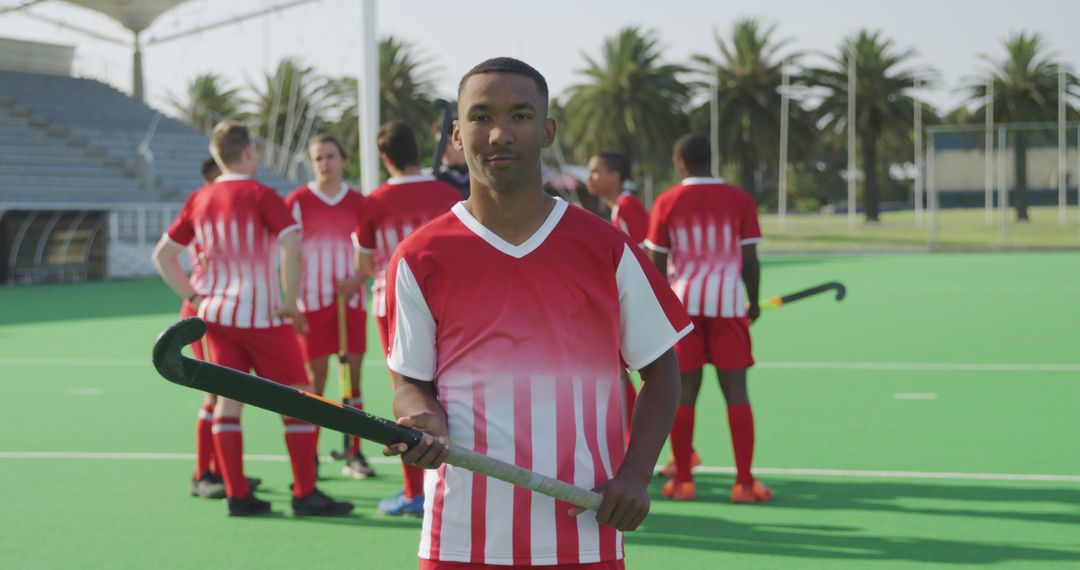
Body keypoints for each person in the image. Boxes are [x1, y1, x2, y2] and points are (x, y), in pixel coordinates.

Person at [382, 57, 689, 569]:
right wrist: (424, 418)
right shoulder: (419, 255)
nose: (500, 133)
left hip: (585, 534)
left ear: (547, 130)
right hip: (461, 536)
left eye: (520, 116)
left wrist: (635, 475)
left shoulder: (606, 246)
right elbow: (410, 381)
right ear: (457, 134)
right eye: (481, 117)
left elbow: (663, 373)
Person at [151, 120, 353, 517]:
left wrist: (194, 295)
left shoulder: (199, 199)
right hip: (262, 316)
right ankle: (304, 492)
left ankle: (238, 496)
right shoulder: (262, 194)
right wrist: (290, 300)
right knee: (299, 396)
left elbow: (163, 256)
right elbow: (291, 244)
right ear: (247, 153)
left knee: (228, 403)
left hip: (215, 316)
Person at [644, 133, 771, 504]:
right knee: (736, 393)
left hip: (684, 310)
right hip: (729, 305)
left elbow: (657, 262)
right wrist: (755, 302)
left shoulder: (667, 200)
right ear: (710, 159)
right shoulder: (739, 199)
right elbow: (749, 260)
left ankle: (683, 481)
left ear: (680, 162)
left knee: (684, 393)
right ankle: (745, 484)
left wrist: (660, 309)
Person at [353, 120, 461, 516]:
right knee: (452, 386)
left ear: (385, 157)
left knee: (409, 392)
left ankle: (414, 491)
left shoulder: (374, 202)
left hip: (394, 304)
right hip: (450, 300)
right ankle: (463, 478)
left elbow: (364, 264)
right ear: (417, 148)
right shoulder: (448, 194)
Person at [285, 135, 374, 479]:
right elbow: (288, 254)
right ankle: (310, 454)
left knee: (352, 381)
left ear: (343, 159)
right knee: (314, 383)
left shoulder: (361, 203)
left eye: (331, 156)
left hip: (349, 302)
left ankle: (355, 452)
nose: (325, 163)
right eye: (318, 157)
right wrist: (291, 301)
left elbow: (372, 252)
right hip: (312, 304)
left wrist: (356, 279)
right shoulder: (297, 201)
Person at [184, 158, 262, 499]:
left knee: (224, 395)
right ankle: (204, 473)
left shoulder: (208, 209)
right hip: (206, 308)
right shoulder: (207, 210)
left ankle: (224, 472)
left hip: (215, 306)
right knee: (213, 393)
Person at [585, 151, 650, 433]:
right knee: (618, 371)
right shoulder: (618, 207)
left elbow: (643, 254)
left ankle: (632, 438)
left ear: (615, 175)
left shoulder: (627, 207)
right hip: (628, 303)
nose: (590, 178)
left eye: (597, 171)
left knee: (623, 371)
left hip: (635, 305)